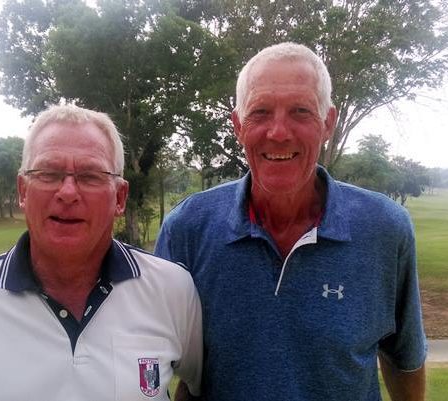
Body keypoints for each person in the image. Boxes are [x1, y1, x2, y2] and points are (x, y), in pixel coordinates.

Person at [155, 42, 426, 401]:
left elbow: (404, 358)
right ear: (238, 125)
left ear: (328, 123)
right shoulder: (188, 229)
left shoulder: (385, 229)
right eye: (260, 112)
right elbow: (156, 364)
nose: (279, 132)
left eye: (300, 111)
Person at [0, 104, 202, 401]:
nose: (67, 192)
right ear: (23, 191)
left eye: (90, 176)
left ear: (120, 197)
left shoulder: (172, 290)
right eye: (48, 174)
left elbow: (201, 387)